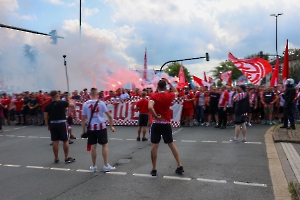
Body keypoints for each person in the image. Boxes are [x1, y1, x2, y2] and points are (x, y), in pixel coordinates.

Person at [148, 79, 184, 177]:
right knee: (171, 144)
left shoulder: (153, 96)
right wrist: (169, 83)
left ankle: (154, 169)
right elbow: (176, 91)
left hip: (156, 123)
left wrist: (155, 116)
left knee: (154, 146)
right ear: (165, 87)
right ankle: (179, 165)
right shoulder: (169, 95)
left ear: (157, 87)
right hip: (166, 123)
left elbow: (150, 107)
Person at [81, 87, 116, 172]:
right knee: (104, 145)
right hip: (101, 127)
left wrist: (83, 131)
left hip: (91, 128)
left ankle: (93, 166)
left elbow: (83, 119)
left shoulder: (85, 104)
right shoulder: (101, 103)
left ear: (90, 94)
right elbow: (110, 116)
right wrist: (111, 126)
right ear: (97, 94)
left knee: (93, 146)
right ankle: (106, 165)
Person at [44, 90, 75, 164]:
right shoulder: (62, 103)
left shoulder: (47, 105)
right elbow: (71, 104)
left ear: (50, 96)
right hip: (61, 123)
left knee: (55, 141)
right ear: (57, 95)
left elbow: (45, 117)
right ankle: (66, 157)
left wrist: (48, 125)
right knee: (65, 140)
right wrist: (68, 99)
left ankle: (56, 158)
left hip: (52, 123)